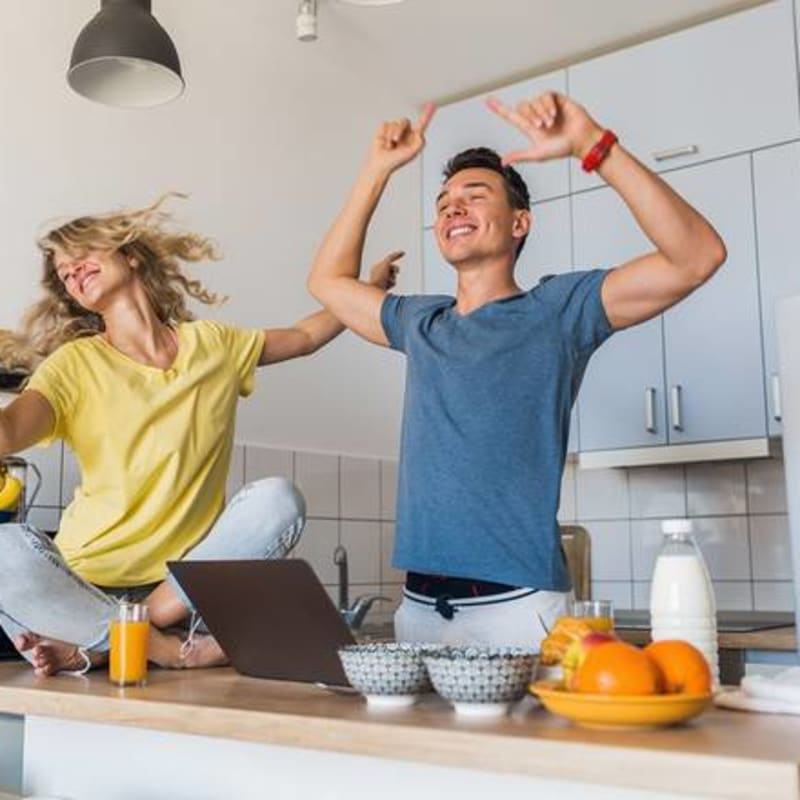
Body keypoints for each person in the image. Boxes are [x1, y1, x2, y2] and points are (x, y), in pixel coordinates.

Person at [308, 92, 726, 649]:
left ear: (519, 223)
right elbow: (327, 284)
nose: (453, 208)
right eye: (443, 202)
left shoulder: (557, 311)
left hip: (521, 612)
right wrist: (376, 171)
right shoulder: (420, 321)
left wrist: (594, 147)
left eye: (474, 196)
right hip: (419, 612)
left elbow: (696, 256)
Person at [0, 195, 400, 676]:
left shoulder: (213, 345)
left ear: (129, 255)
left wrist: (365, 293)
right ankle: (164, 648)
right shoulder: (74, 365)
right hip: (84, 582)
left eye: (81, 254)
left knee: (278, 499)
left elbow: (306, 336)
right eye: (63, 273)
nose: (72, 271)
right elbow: (8, 434)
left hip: (181, 590)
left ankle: (107, 642)